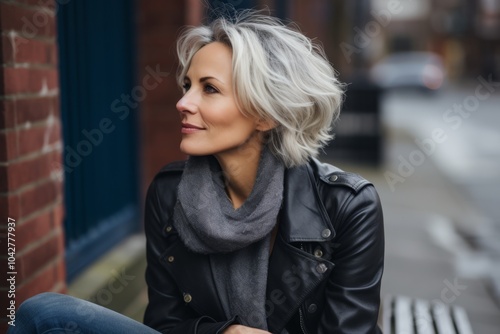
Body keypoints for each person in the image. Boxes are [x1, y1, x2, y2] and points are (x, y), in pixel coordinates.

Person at [9, 9, 384, 334]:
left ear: (265, 114)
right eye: (188, 85)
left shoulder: (346, 207)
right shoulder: (169, 195)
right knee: (43, 314)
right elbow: (165, 324)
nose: (182, 102)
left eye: (210, 89)